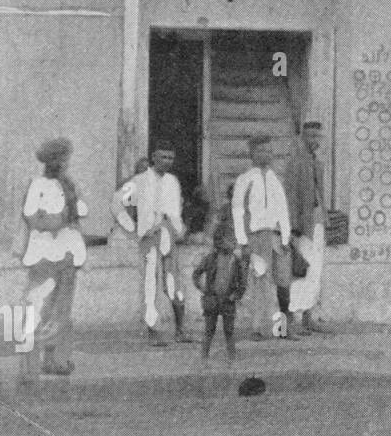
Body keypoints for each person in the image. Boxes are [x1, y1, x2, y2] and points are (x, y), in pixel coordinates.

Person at [20, 138, 88, 377]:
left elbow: (80, 212)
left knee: (62, 309)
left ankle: (54, 359)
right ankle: (31, 359)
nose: (61, 164)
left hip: (68, 252)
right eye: (57, 159)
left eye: (63, 159)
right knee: (40, 307)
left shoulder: (69, 185)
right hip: (44, 253)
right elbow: (30, 216)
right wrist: (53, 222)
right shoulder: (37, 185)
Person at [116, 144, 192, 346]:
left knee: (174, 282)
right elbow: (117, 206)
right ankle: (154, 332)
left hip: (169, 235)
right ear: (154, 158)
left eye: (171, 157)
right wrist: (133, 229)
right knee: (151, 284)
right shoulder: (139, 181)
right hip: (150, 237)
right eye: (164, 157)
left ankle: (181, 330)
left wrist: (179, 229)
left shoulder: (172, 182)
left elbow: (175, 211)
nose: (168, 161)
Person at [232, 135, 297, 341]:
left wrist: (286, 237)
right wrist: (243, 241)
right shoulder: (245, 179)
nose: (266, 155)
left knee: (283, 283)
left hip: (276, 236)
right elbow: (237, 211)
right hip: (256, 236)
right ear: (252, 154)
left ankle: (282, 329)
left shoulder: (275, 179)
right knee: (260, 282)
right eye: (261, 151)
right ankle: (258, 328)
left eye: (269, 151)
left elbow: (283, 210)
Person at [286, 121, 331, 336]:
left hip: (318, 221)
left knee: (315, 271)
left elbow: (320, 194)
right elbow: (291, 196)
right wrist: (293, 226)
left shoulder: (318, 163)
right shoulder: (295, 162)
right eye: (310, 136)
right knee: (301, 270)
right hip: (303, 225)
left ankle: (308, 317)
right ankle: (293, 320)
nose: (313, 140)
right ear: (302, 137)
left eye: (317, 137)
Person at [192, 203, 246, 362]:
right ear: (220, 242)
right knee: (209, 330)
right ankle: (204, 357)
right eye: (230, 239)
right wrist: (202, 288)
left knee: (229, 331)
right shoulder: (210, 259)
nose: (234, 242)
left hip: (228, 301)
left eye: (234, 239)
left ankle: (232, 358)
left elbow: (243, 284)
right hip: (212, 300)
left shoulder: (236, 261)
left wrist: (235, 296)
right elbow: (196, 274)